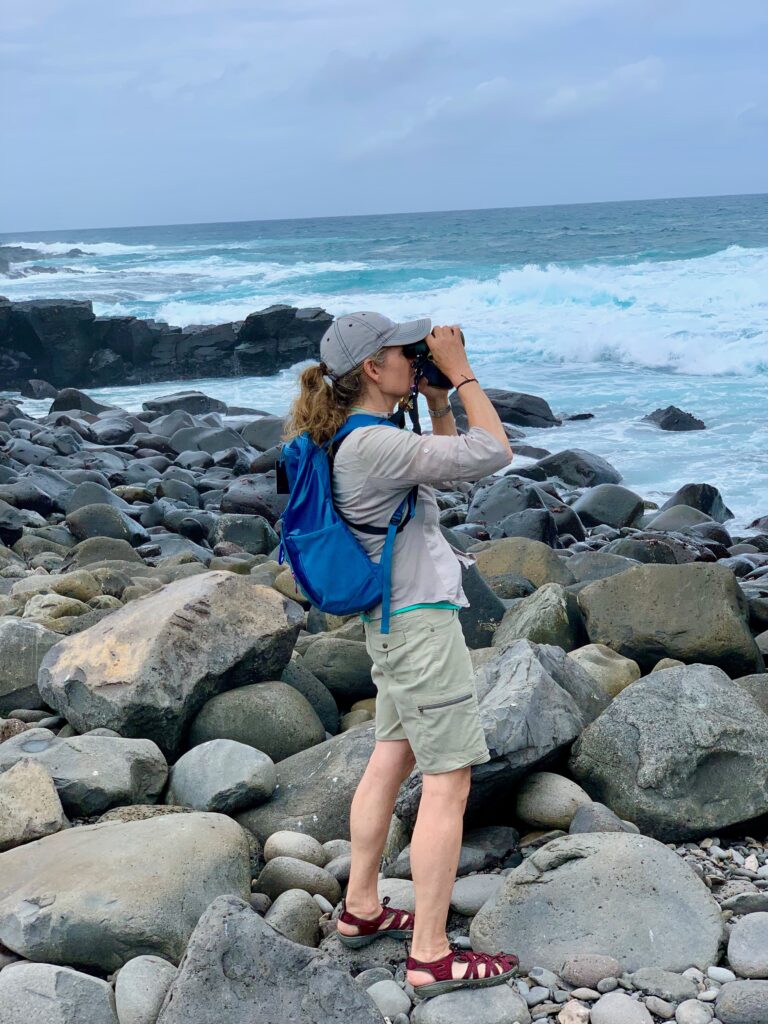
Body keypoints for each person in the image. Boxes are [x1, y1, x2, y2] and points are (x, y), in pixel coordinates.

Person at [284, 311, 518, 998]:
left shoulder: (360, 438)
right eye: (402, 352)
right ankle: (431, 952)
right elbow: (493, 452)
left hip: (392, 623)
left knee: (392, 755)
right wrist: (465, 371)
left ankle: (360, 907)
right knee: (450, 781)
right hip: (417, 629)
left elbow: (442, 476)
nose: (413, 358)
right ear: (371, 370)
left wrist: (439, 399)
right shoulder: (375, 446)